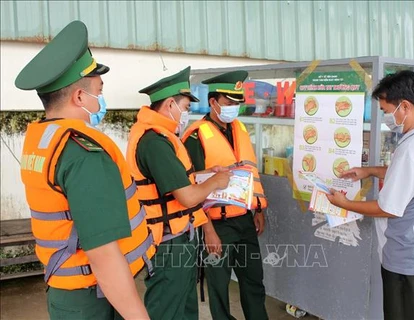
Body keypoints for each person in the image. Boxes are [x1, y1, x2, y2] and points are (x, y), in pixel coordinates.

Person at [15, 20, 155, 319]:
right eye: (98, 90)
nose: (102, 99)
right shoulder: (84, 152)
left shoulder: (43, 139)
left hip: (67, 290)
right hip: (94, 298)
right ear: (80, 97)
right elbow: (103, 256)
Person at [326, 70, 414, 320]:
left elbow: (389, 208)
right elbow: (412, 178)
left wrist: (346, 204)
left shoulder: (412, 149)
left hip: (408, 259)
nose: (385, 118)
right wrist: (369, 171)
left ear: (404, 106)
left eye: (385, 110)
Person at [126, 66, 232, 320]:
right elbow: (186, 196)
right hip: (167, 243)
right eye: (185, 108)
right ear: (170, 104)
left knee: (185, 308)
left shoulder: (163, 137)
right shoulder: (154, 143)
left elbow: (176, 181)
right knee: (166, 309)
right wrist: (216, 182)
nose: (186, 114)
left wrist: (204, 175)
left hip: (180, 236)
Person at [183, 71, 269, 320]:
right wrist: (207, 229)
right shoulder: (196, 136)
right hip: (215, 225)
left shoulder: (240, 128)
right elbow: (191, 189)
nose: (234, 108)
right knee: (219, 287)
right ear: (213, 102)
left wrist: (259, 210)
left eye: (237, 103)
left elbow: (249, 171)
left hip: (244, 220)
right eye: (229, 103)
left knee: (254, 281)